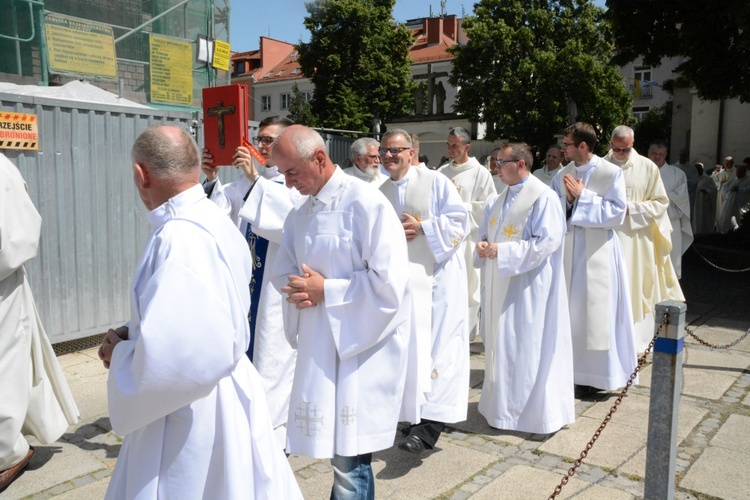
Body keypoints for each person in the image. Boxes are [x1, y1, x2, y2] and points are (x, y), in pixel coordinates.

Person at [99, 125, 300, 499]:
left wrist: (121, 354)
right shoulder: (214, 219)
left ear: (141, 176)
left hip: (191, 415)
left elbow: (178, 362)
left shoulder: (178, 238)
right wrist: (134, 330)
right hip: (226, 393)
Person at [270, 125, 413, 499]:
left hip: (360, 350)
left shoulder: (366, 204)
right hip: (321, 349)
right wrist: (297, 289)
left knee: (350, 462)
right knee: (339, 458)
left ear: (319, 158)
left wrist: (326, 290)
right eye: (282, 174)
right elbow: (284, 269)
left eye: (292, 172)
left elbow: (391, 284)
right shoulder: (299, 216)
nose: (287, 184)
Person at [202, 115, 298, 448]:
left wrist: (255, 179)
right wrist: (212, 178)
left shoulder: (295, 181)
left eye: (269, 140)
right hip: (245, 290)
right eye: (259, 139)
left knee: (272, 360)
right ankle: (243, 425)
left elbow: (289, 222)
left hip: (274, 291)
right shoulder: (242, 183)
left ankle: (273, 437)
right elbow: (216, 219)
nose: (261, 145)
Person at [379, 128, 470, 455]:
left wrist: (424, 228)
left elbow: (462, 222)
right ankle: (413, 414)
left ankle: (428, 428)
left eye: (396, 150)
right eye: (384, 151)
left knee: (439, 351)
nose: (389, 156)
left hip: (439, 281)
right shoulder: (380, 192)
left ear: (411, 154)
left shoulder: (436, 182)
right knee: (409, 351)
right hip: (404, 286)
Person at [475, 143, 574, 433]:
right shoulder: (499, 197)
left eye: (500, 162)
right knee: (501, 344)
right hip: (499, 283)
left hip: (530, 286)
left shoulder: (543, 197)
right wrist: (482, 245)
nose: (495, 168)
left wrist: (502, 252)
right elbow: (486, 229)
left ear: (520, 164)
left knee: (525, 345)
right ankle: (501, 409)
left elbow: (547, 242)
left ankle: (531, 413)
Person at [0, 153, 79, 492]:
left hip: (2, 292)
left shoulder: (2, 170)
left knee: (6, 373)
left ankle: (8, 454)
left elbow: (18, 237)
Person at [552, 122, 638, 393]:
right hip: (568, 253)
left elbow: (616, 212)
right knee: (572, 313)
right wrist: (566, 201)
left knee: (597, 314)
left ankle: (600, 377)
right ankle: (571, 373)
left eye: (567, 144)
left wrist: (582, 197)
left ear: (583, 146)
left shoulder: (610, 172)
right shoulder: (561, 175)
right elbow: (553, 211)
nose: (563, 149)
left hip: (599, 253)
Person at [603, 126, 684, 352]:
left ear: (633, 144)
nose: (621, 153)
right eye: (617, 149)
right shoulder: (600, 166)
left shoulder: (647, 168)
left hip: (637, 240)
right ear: (610, 144)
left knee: (635, 284)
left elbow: (660, 203)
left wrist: (631, 209)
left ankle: (636, 339)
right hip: (605, 239)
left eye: (626, 149)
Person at [438, 126, 496, 339]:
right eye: (448, 144)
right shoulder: (441, 173)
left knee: (468, 287)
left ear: (467, 147)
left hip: (467, 241)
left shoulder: (480, 173)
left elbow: (488, 207)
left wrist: (459, 211)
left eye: (455, 145)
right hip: (445, 241)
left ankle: (467, 335)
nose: (450, 148)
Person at [649, 140, 693, 278]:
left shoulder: (677, 174)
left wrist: (659, 198)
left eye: (661, 154)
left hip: (670, 222)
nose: (657, 157)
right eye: (654, 153)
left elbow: (682, 199)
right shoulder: (641, 171)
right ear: (648, 154)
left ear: (666, 154)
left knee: (669, 263)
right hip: (646, 223)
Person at [692, 163, 718, 235]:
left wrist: (706, 191)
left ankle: (703, 235)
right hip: (694, 204)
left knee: (703, 220)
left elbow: (714, 191)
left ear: (701, 170)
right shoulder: (693, 178)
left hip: (704, 204)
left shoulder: (708, 179)